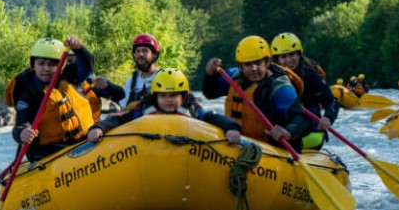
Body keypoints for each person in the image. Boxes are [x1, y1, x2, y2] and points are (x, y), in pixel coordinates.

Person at [202, 35, 312, 153]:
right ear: (240, 66)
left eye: (258, 63)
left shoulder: (280, 89)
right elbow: (210, 93)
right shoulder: (234, 76)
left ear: (267, 62)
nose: (254, 68)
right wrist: (210, 76)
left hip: (271, 152)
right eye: (248, 64)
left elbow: (302, 118)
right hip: (237, 142)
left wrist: (288, 132)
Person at [87, 68, 242, 145]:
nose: (168, 100)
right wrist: (99, 127)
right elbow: (119, 120)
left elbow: (212, 117)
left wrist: (231, 128)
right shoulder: (145, 109)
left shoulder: (191, 109)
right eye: (163, 96)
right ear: (156, 96)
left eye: (174, 96)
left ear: (183, 96)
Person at [9, 36, 100, 162]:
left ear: (60, 66)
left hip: (78, 142)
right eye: (41, 64)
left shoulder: (69, 78)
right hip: (47, 151)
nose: (46, 69)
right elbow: (21, 124)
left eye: (52, 65)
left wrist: (79, 49)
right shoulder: (28, 93)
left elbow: (88, 65)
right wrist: (22, 133)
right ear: (33, 66)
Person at [270, 32, 339, 149]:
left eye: (292, 55)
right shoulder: (272, 77)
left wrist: (328, 117)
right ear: (277, 60)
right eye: (283, 57)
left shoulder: (311, 76)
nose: (288, 60)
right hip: (283, 130)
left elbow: (331, 101)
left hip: (311, 133)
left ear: (299, 55)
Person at [119, 33, 162, 108]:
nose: (140, 54)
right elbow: (123, 110)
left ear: (154, 54)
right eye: (137, 51)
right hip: (135, 119)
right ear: (134, 55)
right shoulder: (131, 82)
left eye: (145, 51)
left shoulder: (163, 77)